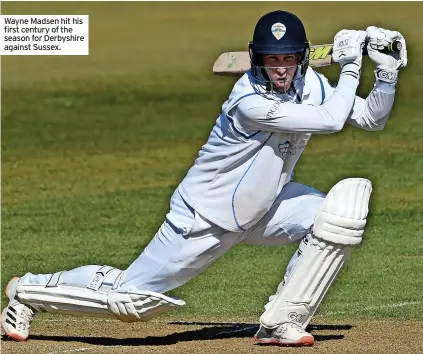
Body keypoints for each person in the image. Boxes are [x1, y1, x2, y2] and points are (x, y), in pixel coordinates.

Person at [2, 10, 407, 347]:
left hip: (266, 206)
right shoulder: (249, 101)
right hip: (204, 217)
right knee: (131, 300)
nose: (280, 69)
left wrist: (386, 73)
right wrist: (353, 64)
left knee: (337, 217)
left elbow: (370, 118)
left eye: (286, 59)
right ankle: (28, 292)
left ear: (301, 58)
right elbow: (332, 119)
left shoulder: (312, 84)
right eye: (271, 60)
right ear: (257, 59)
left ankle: (281, 321)